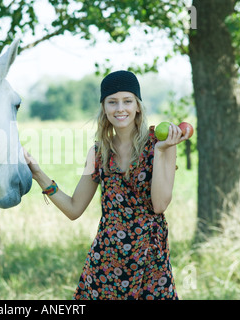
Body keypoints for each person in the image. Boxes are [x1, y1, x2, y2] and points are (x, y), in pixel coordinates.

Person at [24, 70, 190, 300]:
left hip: (150, 263)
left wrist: (161, 153)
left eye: (127, 101)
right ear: (104, 108)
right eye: (112, 102)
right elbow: (74, 208)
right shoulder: (99, 153)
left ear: (138, 106)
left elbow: (160, 204)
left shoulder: (161, 144)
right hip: (106, 262)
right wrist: (38, 174)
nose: (120, 108)